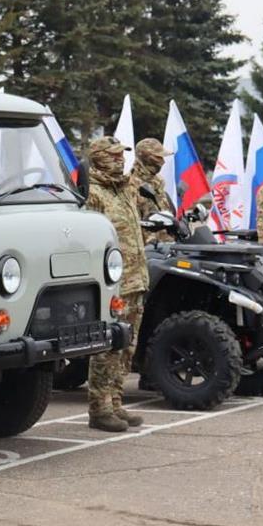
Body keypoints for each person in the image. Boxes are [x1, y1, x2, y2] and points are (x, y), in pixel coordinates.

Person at [85, 137, 149, 433]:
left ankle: (116, 401)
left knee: (127, 346)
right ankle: (100, 408)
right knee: (108, 345)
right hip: (113, 283)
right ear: (98, 158)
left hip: (136, 278)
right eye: (113, 156)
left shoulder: (124, 189)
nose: (120, 160)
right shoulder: (93, 193)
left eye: (122, 155)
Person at [128, 138, 175, 245]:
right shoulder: (130, 185)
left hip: (168, 245)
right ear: (145, 157)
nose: (163, 161)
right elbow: (133, 224)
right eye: (157, 157)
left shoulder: (158, 182)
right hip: (149, 248)